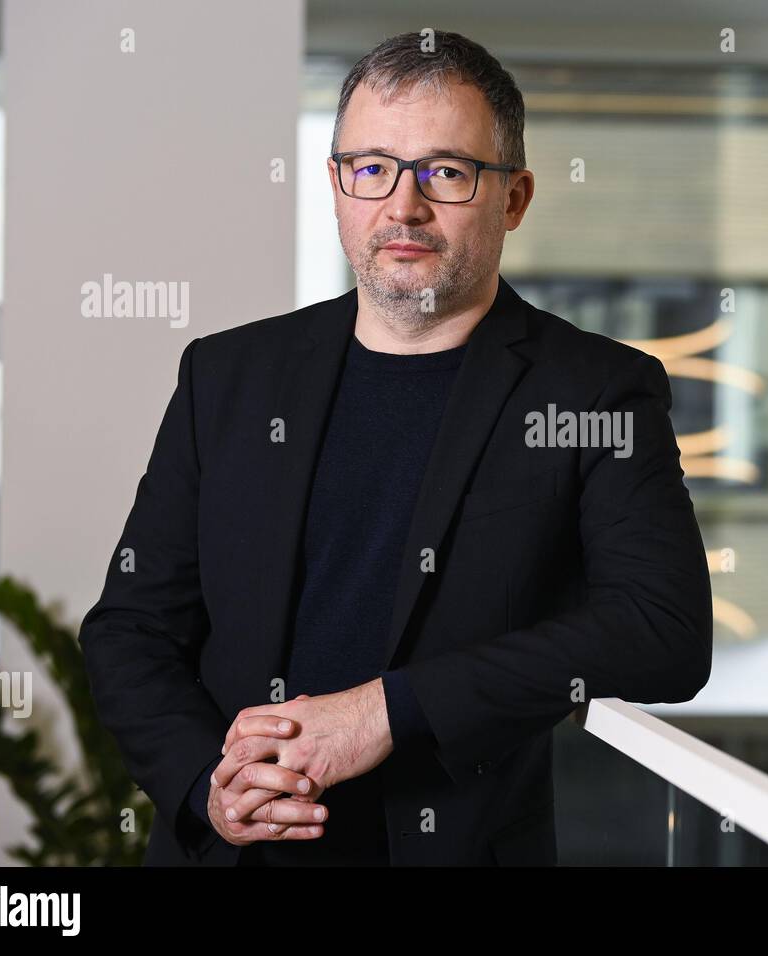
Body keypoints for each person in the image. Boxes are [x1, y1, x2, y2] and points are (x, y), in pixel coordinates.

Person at [79, 29, 713, 866]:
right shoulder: (228, 377)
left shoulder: (594, 389)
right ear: (338, 184)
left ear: (514, 198)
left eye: (445, 172)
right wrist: (205, 785)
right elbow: (130, 628)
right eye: (371, 167)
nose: (402, 207)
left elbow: (663, 631)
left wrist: (388, 710)